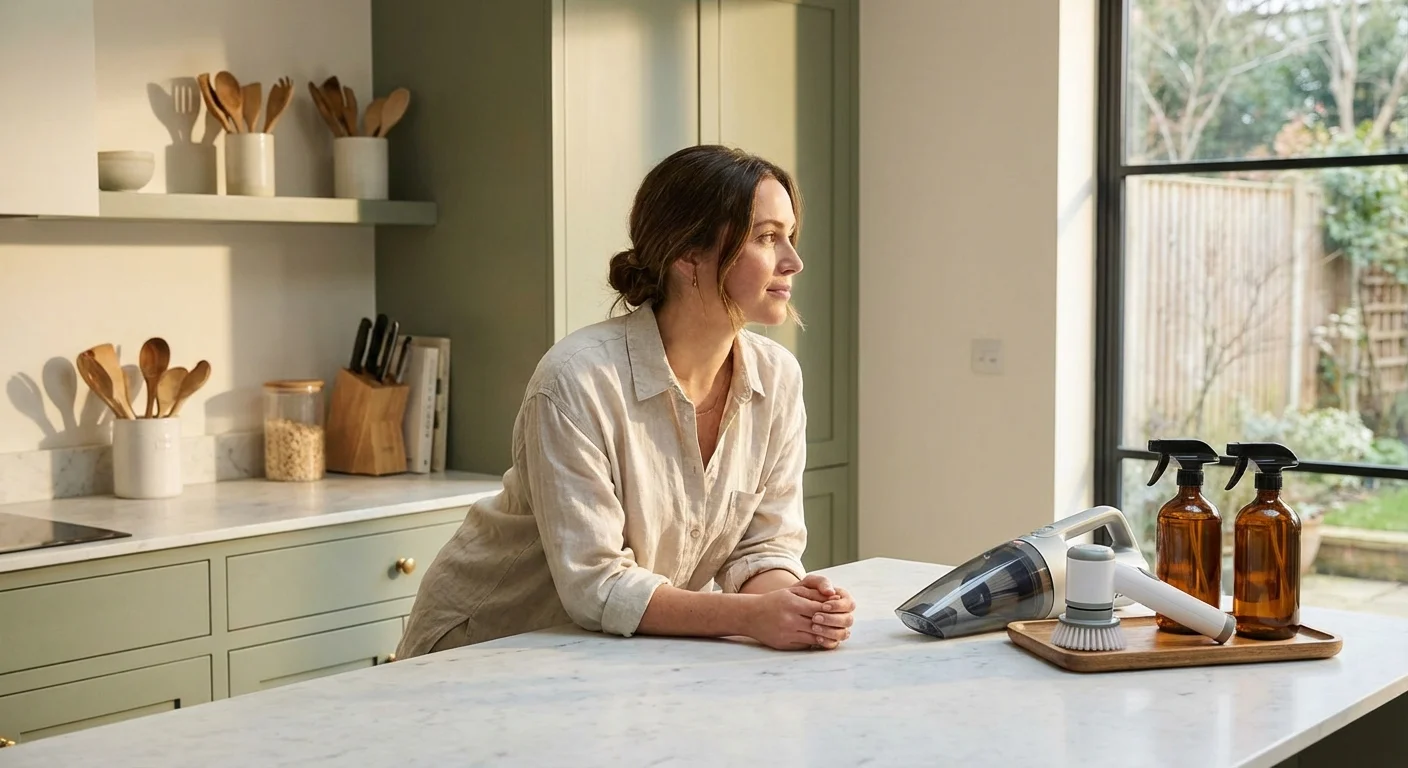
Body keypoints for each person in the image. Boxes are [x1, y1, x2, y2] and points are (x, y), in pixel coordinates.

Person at [395, 144, 856, 658]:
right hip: (483, 647)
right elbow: (596, 584)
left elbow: (762, 547)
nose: (794, 260)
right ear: (689, 254)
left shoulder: (778, 379)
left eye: (789, 236)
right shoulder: (577, 379)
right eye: (767, 237)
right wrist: (751, 618)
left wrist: (796, 607)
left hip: (603, 655)